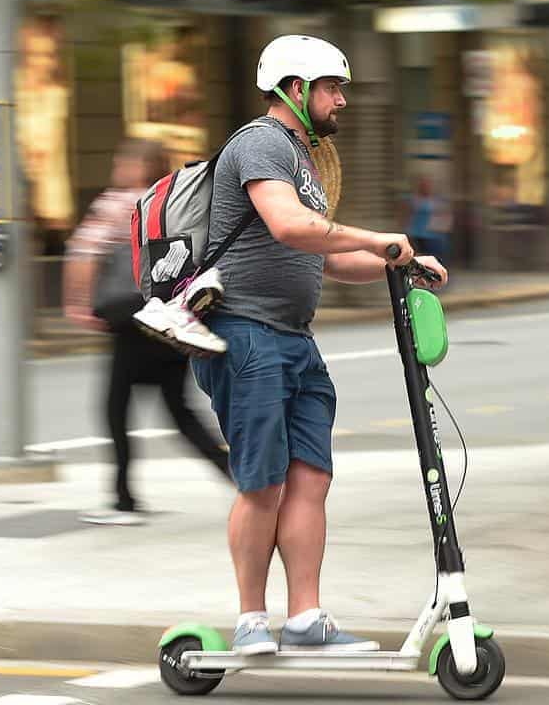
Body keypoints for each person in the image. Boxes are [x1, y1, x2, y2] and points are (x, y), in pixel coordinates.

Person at [187, 34, 448, 653]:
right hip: (244, 333)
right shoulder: (260, 143)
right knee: (262, 483)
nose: (342, 101)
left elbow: (325, 258)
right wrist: (378, 235)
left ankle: (305, 617)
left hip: (294, 339)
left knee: (310, 478)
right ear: (295, 89)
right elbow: (289, 225)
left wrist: (395, 263)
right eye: (333, 88)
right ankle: (252, 619)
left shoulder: (305, 160)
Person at [64, 138, 233, 526]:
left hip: (131, 317)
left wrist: (76, 302)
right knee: (179, 411)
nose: (117, 166)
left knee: (115, 408)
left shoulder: (119, 202)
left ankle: (124, 500)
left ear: (139, 165)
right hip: (172, 315)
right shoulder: (172, 199)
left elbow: (83, 253)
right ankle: (239, 477)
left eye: (123, 160)